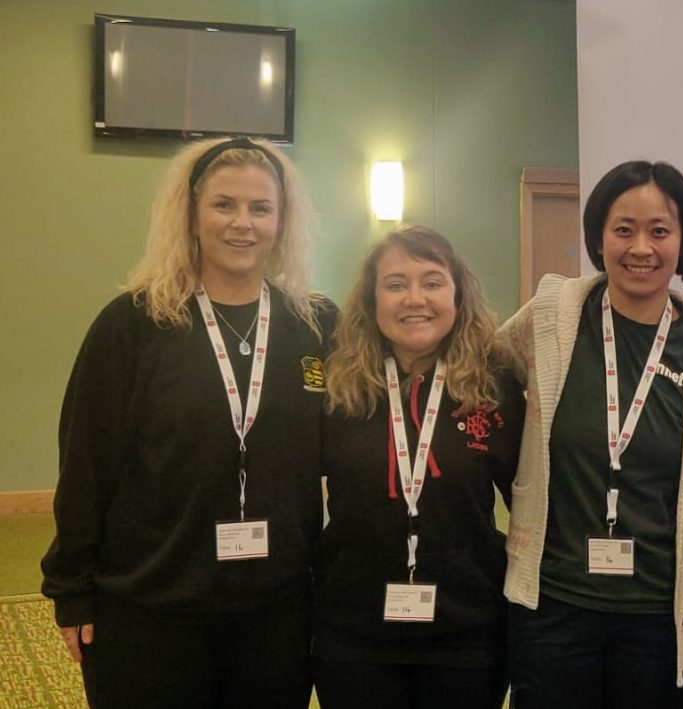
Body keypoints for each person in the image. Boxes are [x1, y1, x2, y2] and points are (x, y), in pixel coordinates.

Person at [41, 136, 333, 707]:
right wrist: (70, 587)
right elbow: (85, 464)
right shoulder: (133, 324)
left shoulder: (315, 326)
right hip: (151, 607)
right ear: (192, 215)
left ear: (281, 222)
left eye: (260, 208)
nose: (242, 223)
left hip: (275, 613)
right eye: (223, 205)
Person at [498, 160, 683, 708]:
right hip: (553, 606)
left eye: (659, 231)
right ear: (599, 239)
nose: (641, 247)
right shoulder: (554, 315)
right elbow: (484, 373)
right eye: (624, 229)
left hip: (658, 619)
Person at [311, 226, 521, 708]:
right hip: (354, 634)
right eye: (396, 284)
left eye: (432, 282)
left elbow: (528, 500)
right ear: (372, 299)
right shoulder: (338, 386)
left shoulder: (494, 385)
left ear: (457, 294)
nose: (415, 299)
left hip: (467, 634)